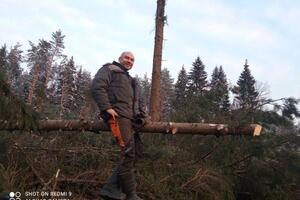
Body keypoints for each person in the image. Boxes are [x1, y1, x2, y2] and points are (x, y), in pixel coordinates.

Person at [91, 51, 148, 200]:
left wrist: (142, 116)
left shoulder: (130, 79)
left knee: (138, 152)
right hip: (118, 116)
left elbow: (137, 102)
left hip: (131, 120)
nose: (129, 61)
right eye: (127, 58)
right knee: (128, 153)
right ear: (120, 59)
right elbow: (97, 87)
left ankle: (110, 189)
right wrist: (106, 107)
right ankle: (131, 195)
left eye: (132, 59)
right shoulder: (109, 69)